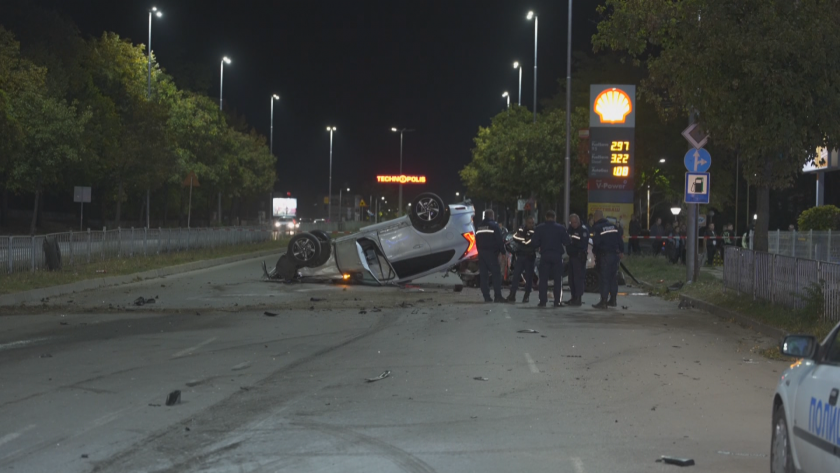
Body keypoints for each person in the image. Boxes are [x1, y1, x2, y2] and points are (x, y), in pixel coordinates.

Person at [531, 210, 572, 307]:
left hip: (545, 255)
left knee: (543, 280)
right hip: (557, 256)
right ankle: (557, 301)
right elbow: (567, 241)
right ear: (555, 217)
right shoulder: (561, 228)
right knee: (558, 280)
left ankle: (542, 301)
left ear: (546, 217)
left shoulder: (539, 228)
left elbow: (534, 243)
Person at [591, 210, 624, 309]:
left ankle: (604, 301)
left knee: (604, 278)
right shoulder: (613, 226)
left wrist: (595, 253)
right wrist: (621, 251)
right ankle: (613, 300)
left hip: (605, 256)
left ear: (595, 218)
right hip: (615, 255)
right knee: (613, 278)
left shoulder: (597, 228)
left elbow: (596, 243)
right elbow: (620, 240)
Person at [475, 209, 507, 303]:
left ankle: (486, 297)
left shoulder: (479, 226)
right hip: (491, 253)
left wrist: (479, 251)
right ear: (492, 216)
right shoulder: (494, 226)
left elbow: (476, 240)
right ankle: (498, 296)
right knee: (496, 274)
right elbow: (499, 240)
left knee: (483, 275)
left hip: (481, 253)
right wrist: (503, 251)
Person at [506, 216, 537, 303]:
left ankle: (526, 296)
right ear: (526, 223)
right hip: (520, 256)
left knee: (529, 278)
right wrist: (523, 239)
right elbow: (515, 237)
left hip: (530, 256)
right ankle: (512, 295)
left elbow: (529, 242)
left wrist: (522, 240)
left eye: (532, 223)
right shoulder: (521, 229)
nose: (531, 224)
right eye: (529, 223)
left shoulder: (535, 231)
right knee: (516, 276)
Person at [566, 214, 589, 306]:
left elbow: (582, 245)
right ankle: (573, 297)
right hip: (572, 257)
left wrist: (572, 245)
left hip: (579, 257)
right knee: (571, 279)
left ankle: (578, 298)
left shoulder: (583, 230)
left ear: (578, 221)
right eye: (571, 222)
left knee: (578, 279)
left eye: (575, 222)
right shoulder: (570, 229)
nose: (573, 224)